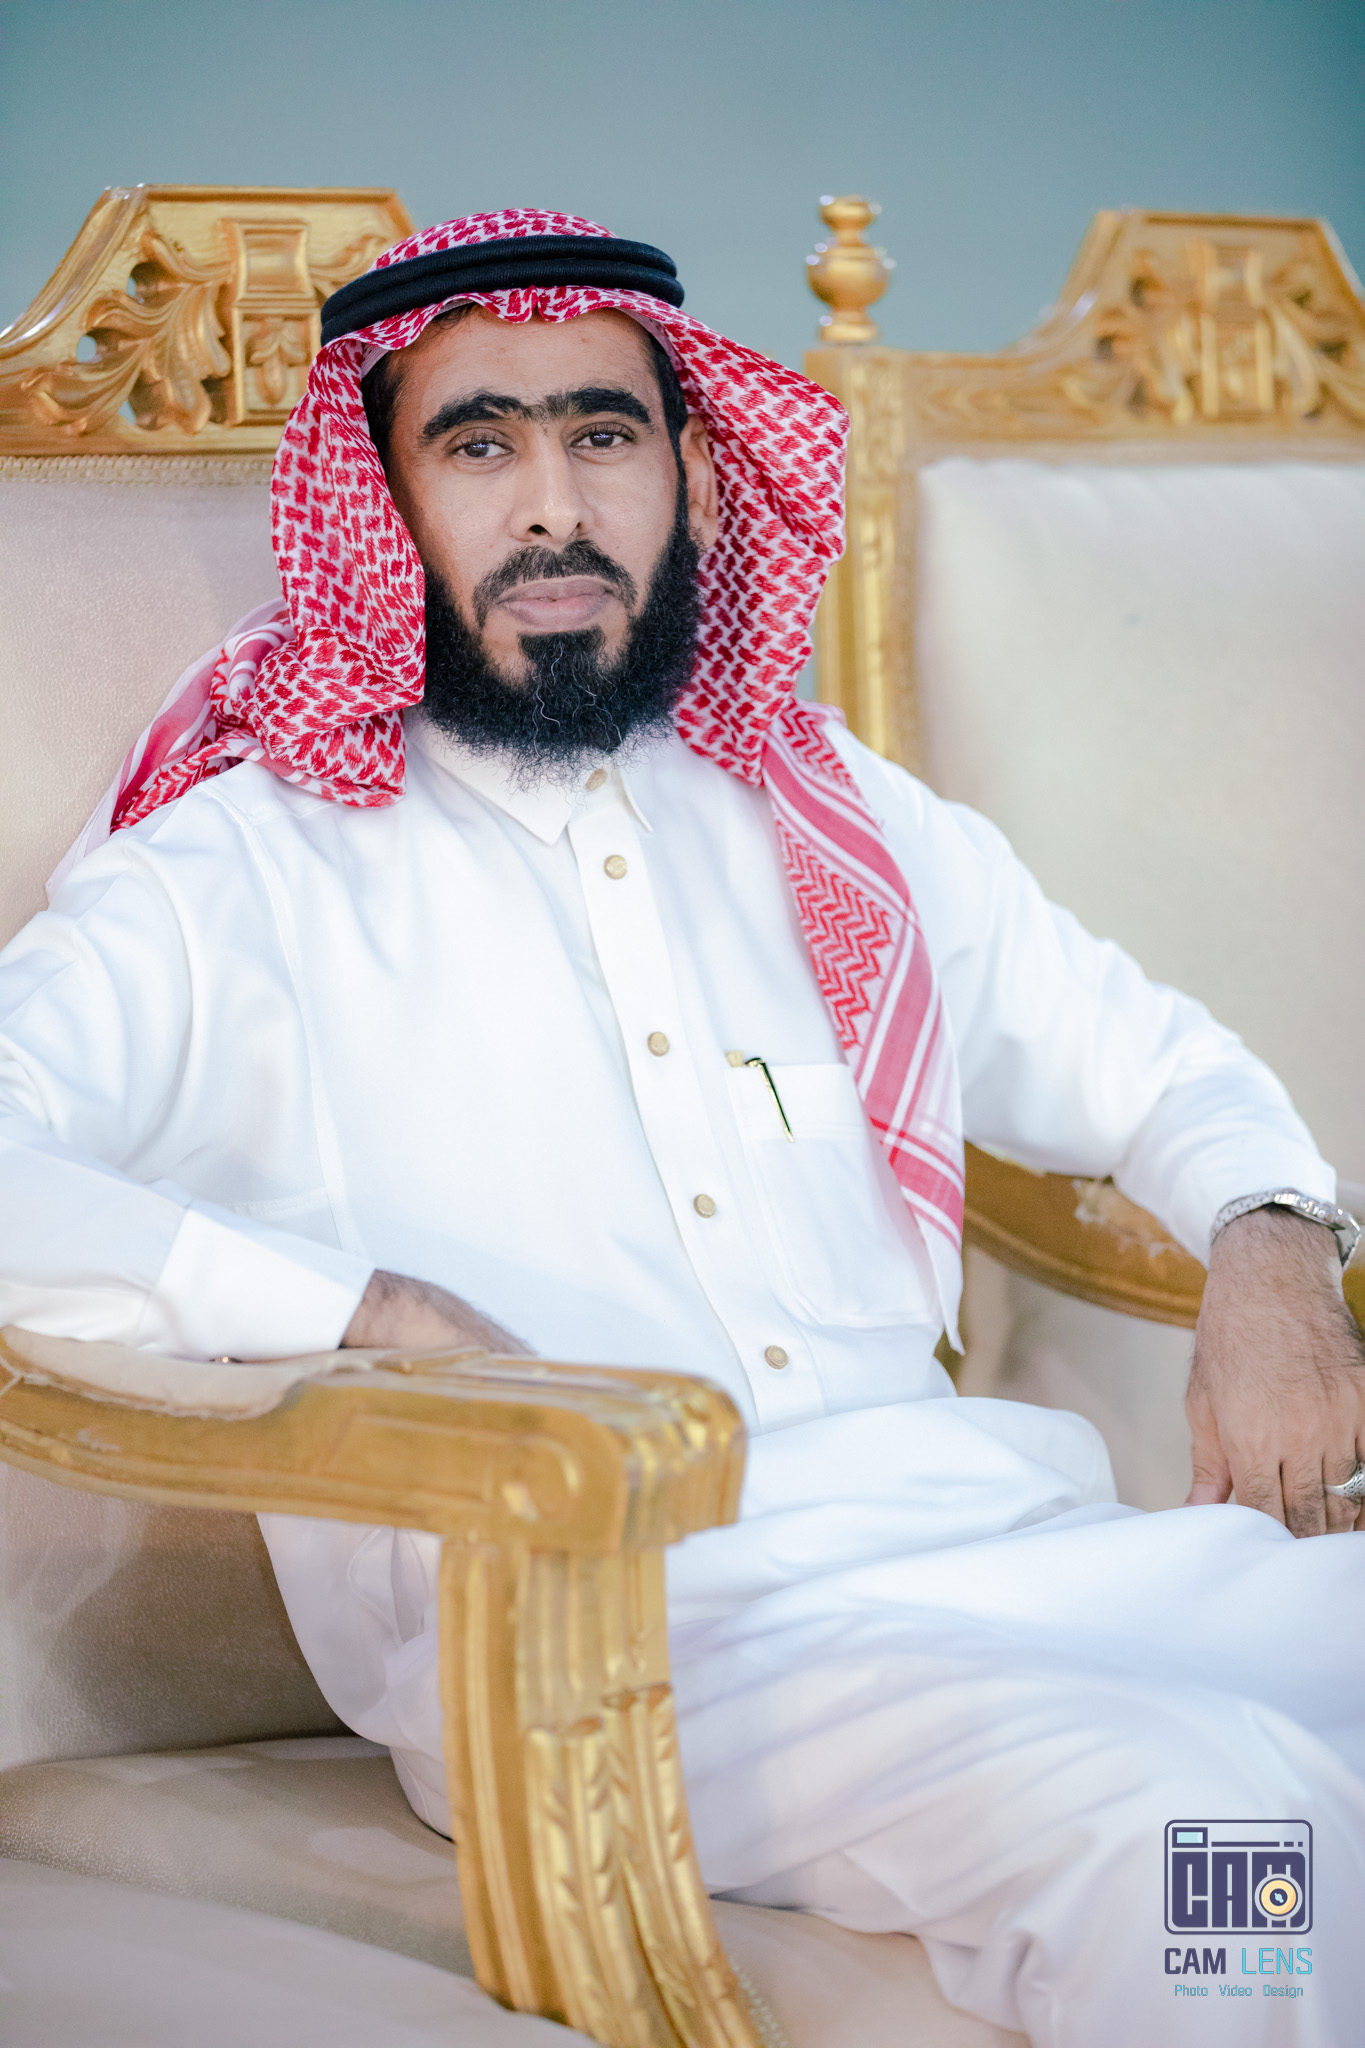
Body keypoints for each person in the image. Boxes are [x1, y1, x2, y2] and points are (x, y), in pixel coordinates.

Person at [2, 210, 1362, 2048]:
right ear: (379, 507)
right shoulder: (236, 877)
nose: (552, 507)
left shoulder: (821, 806)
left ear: (696, 475)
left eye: (603, 434)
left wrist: (1271, 1247)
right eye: (477, 447)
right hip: (618, 1639)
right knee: (1217, 1836)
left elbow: (1154, 1062)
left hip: (1010, 1546)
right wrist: (352, 1313)